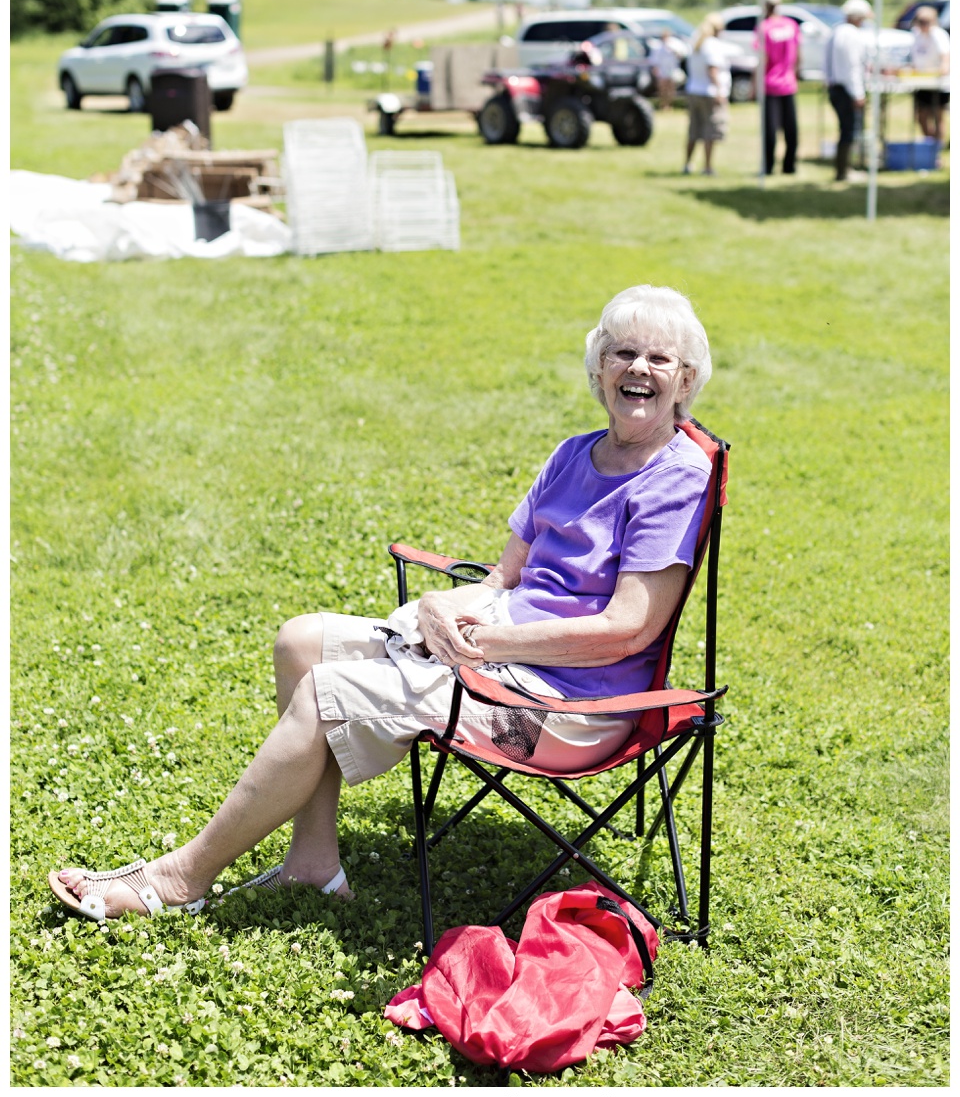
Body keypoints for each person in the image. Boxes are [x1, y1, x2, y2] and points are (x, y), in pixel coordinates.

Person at [49, 286, 715, 922]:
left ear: (685, 381)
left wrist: (485, 644)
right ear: (598, 367)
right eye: (623, 353)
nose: (638, 369)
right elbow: (501, 580)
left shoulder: (675, 477)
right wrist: (442, 607)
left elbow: (628, 629)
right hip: (496, 655)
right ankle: (313, 863)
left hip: (566, 706)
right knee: (300, 642)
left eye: (659, 359)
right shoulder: (574, 455)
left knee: (325, 692)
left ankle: (180, 878)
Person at [824, 0, 872, 181]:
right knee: (849, 130)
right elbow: (852, 66)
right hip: (846, 89)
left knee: (846, 129)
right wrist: (858, 93)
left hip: (837, 87)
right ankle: (844, 171)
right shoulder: (851, 34)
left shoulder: (836, 31)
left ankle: (844, 168)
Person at [755, 0, 800, 174]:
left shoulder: (763, 27)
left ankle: (769, 166)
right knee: (791, 129)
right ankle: (789, 166)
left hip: (770, 84)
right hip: (788, 83)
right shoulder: (790, 25)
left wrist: (754, 83)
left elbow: (762, 58)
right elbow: (798, 55)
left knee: (770, 131)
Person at [683, 14, 730, 175]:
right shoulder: (712, 45)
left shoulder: (696, 42)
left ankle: (687, 164)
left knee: (694, 131)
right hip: (709, 93)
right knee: (709, 131)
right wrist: (719, 91)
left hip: (694, 90)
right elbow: (712, 70)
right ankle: (708, 167)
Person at [908, 5, 950, 142]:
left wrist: (943, 69)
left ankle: (936, 147)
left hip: (938, 83)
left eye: (926, 21)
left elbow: (945, 57)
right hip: (922, 82)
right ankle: (930, 143)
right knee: (921, 116)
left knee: (937, 116)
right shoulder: (917, 34)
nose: (922, 25)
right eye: (920, 21)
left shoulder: (938, 34)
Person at [651, 29, 686, 110]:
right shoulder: (657, 47)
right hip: (662, 70)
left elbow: (680, 56)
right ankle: (663, 104)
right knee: (662, 88)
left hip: (672, 70)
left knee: (671, 88)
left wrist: (674, 51)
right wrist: (656, 69)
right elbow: (654, 60)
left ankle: (670, 104)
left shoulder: (674, 45)